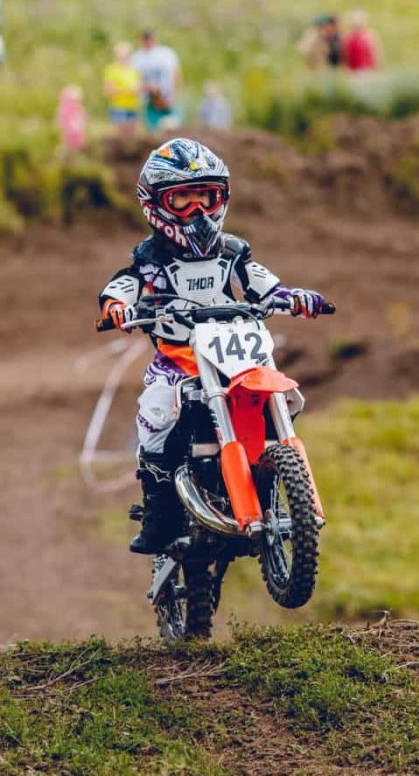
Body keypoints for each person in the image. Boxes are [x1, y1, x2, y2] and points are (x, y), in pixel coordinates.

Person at [96, 139, 329, 553]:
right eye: (182, 200)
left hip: (235, 353)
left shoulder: (233, 250)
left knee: (288, 398)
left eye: (205, 197)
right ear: (157, 205)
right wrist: (117, 305)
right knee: (154, 418)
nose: (198, 211)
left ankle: (272, 477)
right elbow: (127, 283)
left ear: (221, 198)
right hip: (180, 360)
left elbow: (262, 281)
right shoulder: (151, 256)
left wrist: (293, 297)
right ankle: (159, 514)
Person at [129, 30, 181, 132]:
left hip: (166, 95)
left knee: (171, 125)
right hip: (148, 98)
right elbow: (134, 78)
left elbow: (176, 73)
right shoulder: (137, 57)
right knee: (152, 127)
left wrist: (175, 93)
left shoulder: (166, 53)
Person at [102, 42, 141, 141]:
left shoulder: (133, 70)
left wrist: (135, 90)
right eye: (121, 55)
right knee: (119, 136)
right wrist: (129, 91)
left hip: (132, 106)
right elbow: (109, 91)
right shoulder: (112, 70)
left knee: (132, 137)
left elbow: (138, 88)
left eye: (126, 55)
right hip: (119, 107)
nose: (124, 57)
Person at [56, 84, 86, 154]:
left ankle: (77, 151)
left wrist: (81, 121)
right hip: (71, 127)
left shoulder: (76, 105)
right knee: (70, 140)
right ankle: (72, 152)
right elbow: (62, 117)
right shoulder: (65, 107)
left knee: (78, 140)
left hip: (77, 126)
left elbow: (82, 114)